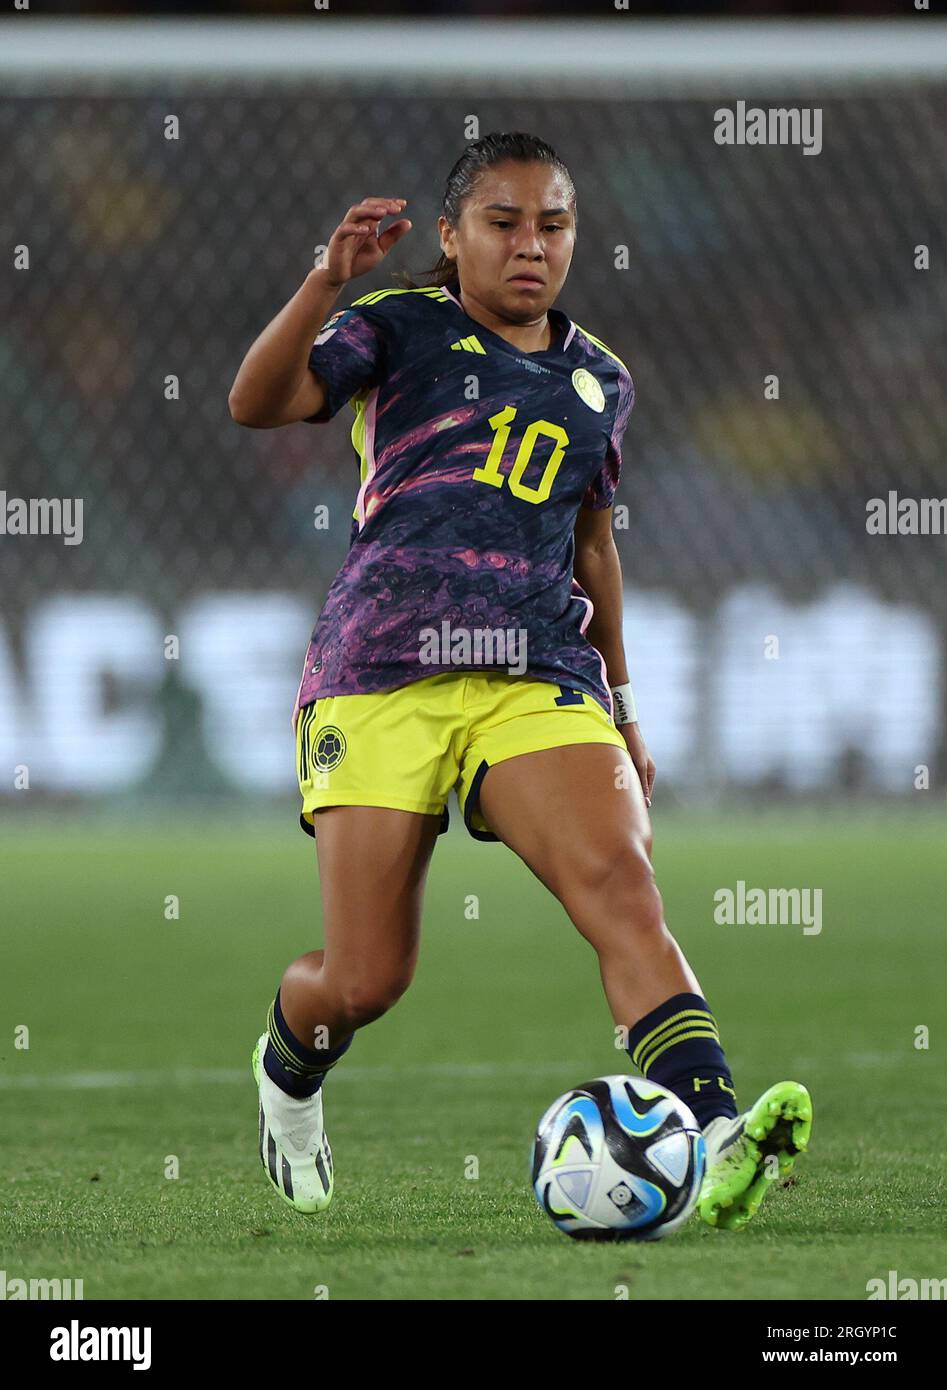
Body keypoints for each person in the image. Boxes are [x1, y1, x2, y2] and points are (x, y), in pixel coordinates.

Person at [228, 131, 811, 1232]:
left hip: (532, 669)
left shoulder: (601, 380)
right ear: (449, 238)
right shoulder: (393, 325)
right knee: (362, 981)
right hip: (381, 668)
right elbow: (255, 404)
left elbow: (594, 543)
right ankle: (287, 1071)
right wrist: (324, 278)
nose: (530, 245)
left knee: (620, 886)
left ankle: (717, 1129)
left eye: (552, 224)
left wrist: (623, 707)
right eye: (502, 222)